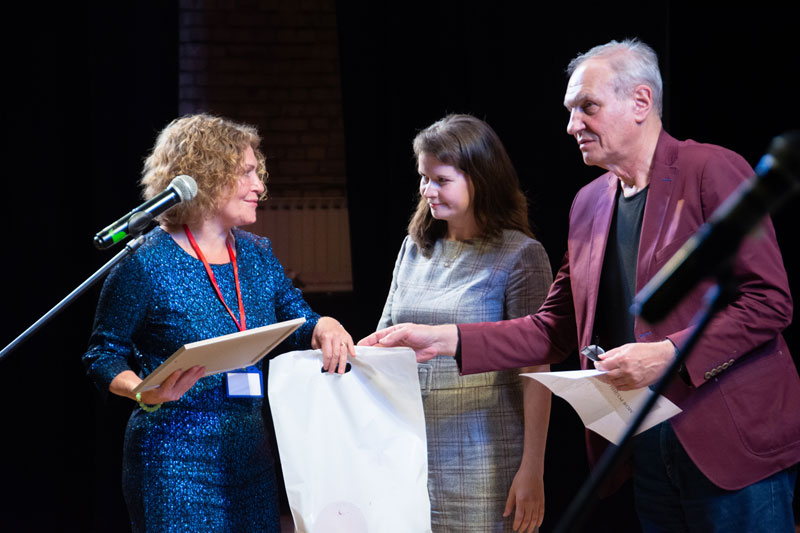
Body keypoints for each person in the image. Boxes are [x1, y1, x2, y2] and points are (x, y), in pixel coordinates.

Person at [361, 40, 800, 532]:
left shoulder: (710, 169)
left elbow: (768, 301)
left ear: (641, 102)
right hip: (647, 446)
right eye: (570, 111)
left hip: (730, 445)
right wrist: (444, 339)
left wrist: (667, 354)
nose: (572, 125)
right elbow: (552, 329)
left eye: (587, 107)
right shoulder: (589, 203)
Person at [83, 114, 355, 532]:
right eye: (246, 173)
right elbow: (103, 353)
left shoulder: (257, 253)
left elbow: (298, 317)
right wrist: (140, 389)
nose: (259, 186)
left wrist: (326, 326)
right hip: (173, 461)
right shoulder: (145, 262)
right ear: (206, 177)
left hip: (251, 456)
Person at [377, 114, 552, 532]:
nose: (427, 191)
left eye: (441, 180)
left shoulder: (520, 255)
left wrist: (533, 467)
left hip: (484, 457)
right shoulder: (414, 248)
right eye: (424, 178)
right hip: (411, 450)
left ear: (481, 179)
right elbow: (384, 338)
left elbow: (536, 370)